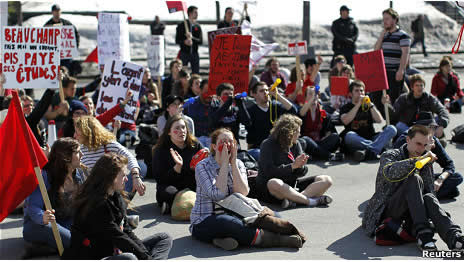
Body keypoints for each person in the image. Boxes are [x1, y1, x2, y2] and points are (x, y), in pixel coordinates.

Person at [190, 128, 303, 250]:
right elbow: (217, 195)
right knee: (230, 223)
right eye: (223, 142)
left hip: (235, 210)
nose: (227, 145)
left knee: (275, 218)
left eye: (230, 142)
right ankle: (277, 240)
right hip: (205, 219)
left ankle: (223, 239)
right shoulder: (202, 166)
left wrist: (232, 164)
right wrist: (223, 165)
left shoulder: (238, 163)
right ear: (214, 146)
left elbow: (243, 192)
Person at [362, 125, 463, 251]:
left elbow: (429, 192)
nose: (421, 148)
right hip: (387, 210)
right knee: (413, 179)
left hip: (412, 212)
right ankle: (424, 235)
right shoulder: (390, 155)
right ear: (408, 140)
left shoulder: (425, 159)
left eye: (424, 145)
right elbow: (389, 172)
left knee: (429, 197)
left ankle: (454, 237)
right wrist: (417, 161)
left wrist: (439, 216)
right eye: (418, 143)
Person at [65, 153, 172, 259]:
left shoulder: (116, 195)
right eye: (123, 175)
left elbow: (126, 231)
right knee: (130, 258)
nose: (126, 179)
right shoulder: (97, 204)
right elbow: (118, 237)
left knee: (164, 238)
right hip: (97, 255)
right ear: (111, 177)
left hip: (116, 249)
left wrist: (145, 255)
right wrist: (144, 257)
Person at [256, 114, 333, 209]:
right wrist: (292, 166)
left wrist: (301, 166)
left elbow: (303, 172)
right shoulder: (268, 144)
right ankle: (310, 201)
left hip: (292, 185)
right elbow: (269, 172)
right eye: (298, 132)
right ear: (289, 133)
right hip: (273, 189)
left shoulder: (296, 144)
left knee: (326, 180)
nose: (300, 135)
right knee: (274, 182)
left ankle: (295, 200)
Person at [23, 138, 85, 251]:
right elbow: (33, 207)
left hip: (66, 222)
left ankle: (50, 246)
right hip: (41, 225)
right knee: (76, 243)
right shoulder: (45, 176)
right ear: (65, 157)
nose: (82, 154)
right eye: (77, 152)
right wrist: (42, 217)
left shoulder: (79, 174)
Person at [393, 111, 463, 200]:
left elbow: (449, 164)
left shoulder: (433, 140)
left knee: (457, 177)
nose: (432, 131)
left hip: (425, 178)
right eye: (430, 127)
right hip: (406, 180)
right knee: (452, 191)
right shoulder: (406, 139)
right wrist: (425, 150)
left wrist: (440, 180)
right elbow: (405, 167)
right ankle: (425, 196)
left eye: (434, 128)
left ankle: (425, 195)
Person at [74, 115, 146, 198]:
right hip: (92, 194)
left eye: (77, 132)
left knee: (141, 166)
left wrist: (135, 177)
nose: (74, 135)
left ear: (87, 133)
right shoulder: (80, 149)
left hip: (111, 191)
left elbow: (129, 157)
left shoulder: (108, 145)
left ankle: (122, 201)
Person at [152, 114, 202, 214]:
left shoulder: (195, 145)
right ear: (169, 132)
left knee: (206, 189)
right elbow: (160, 179)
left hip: (191, 183)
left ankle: (176, 205)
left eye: (183, 127)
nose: (181, 131)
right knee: (169, 192)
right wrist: (177, 167)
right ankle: (172, 204)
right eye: (177, 128)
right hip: (171, 185)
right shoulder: (161, 150)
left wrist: (204, 160)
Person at [340, 80, 397, 162]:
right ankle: (377, 148)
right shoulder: (345, 107)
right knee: (349, 135)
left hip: (371, 136)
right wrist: (358, 104)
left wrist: (371, 105)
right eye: (356, 91)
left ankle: (369, 151)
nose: (360, 93)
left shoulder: (369, 106)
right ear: (350, 94)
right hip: (355, 140)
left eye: (361, 91)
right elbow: (345, 121)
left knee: (392, 129)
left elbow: (379, 120)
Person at [373, 8, 411, 116]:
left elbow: (405, 54)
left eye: (387, 19)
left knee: (394, 100)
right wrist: (382, 35)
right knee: (376, 97)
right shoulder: (385, 35)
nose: (384, 21)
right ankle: (388, 119)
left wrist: (401, 70)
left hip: (395, 71)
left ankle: (393, 122)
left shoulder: (402, 35)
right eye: (383, 19)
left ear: (394, 20)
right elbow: (376, 51)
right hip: (383, 72)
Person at [246, 81, 297, 160]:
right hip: (260, 148)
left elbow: (293, 110)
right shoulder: (250, 111)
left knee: (302, 142)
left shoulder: (275, 106)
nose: (265, 93)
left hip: (277, 146)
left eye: (266, 90)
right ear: (253, 94)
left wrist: (277, 95)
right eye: (261, 91)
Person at [392, 74, 449, 140]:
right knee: (399, 125)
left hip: (425, 128)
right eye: (417, 85)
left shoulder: (429, 98)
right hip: (408, 128)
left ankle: (432, 140)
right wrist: (387, 104)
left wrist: (441, 125)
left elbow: (442, 110)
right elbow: (393, 113)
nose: (419, 88)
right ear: (412, 87)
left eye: (421, 85)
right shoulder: (404, 98)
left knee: (437, 120)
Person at [298, 87, 343, 161]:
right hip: (307, 143)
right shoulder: (302, 110)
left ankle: (315, 154)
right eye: (310, 94)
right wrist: (311, 99)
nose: (313, 96)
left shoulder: (324, 114)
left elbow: (331, 131)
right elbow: (301, 113)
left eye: (315, 94)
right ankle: (329, 156)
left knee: (335, 137)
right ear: (305, 97)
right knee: (305, 140)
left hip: (320, 143)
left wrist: (326, 136)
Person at [44, 4, 81, 76]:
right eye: (55, 11)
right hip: (54, 56)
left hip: (66, 56)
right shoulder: (47, 25)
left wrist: (74, 48)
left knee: (67, 73)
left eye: (58, 11)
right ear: (52, 12)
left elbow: (75, 35)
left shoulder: (67, 24)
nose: (57, 13)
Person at [183, 79, 213, 148]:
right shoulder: (190, 104)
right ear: (200, 90)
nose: (209, 95)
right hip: (196, 140)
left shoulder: (217, 104)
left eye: (211, 92)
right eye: (206, 92)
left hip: (212, 140)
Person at [175, 6, 202, 74]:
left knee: (196, 73)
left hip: (195, 53)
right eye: (195, 12)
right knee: (182, 73)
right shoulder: (181, 25)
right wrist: (184, 42)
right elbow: (177, 40)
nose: (197, 14)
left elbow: (200, 41)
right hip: (184, 53)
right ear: (190, 13)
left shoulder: (197, 26)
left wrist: (192, 38)